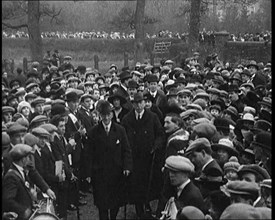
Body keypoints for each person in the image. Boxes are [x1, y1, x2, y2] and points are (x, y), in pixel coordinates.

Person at [121, 92, 165, 218]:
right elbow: (123, 137)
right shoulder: (127, 119)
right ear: (133, 104)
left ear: (144, 103)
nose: (139, 106)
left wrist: (155, 147)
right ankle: (139, 208)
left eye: (141, 102)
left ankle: (146, 205)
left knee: (148, 183)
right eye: (136, 103)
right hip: (133, 157)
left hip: (148, 157)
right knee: (136, 183)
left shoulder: (152, 117)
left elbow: (160, 135)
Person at [86, 100, 133, 220]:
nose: (106, 118)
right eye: (103, 115)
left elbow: (126, 150)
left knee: (115, 202)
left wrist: (127, 167)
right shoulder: (93, 132)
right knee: (102, 203)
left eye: (108, 114)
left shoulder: (120, 130)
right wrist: (88, 173)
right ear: (99, 116)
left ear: (112, 114)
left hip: (116, 173)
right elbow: (88, 154)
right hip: (100, 173)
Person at [2, 144, 56, 219]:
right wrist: (23, 210)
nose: (29, 160)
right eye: (27, 157)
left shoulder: (22, 171)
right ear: (23, 159)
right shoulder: (11, 177)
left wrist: (31, 206)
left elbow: (24, 194)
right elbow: (8, 200)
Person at [159, 156, 206, 220]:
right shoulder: (175, 189)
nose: (171, 175)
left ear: (186, 174)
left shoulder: (193, 196)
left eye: (175, 172)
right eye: (170, 172)